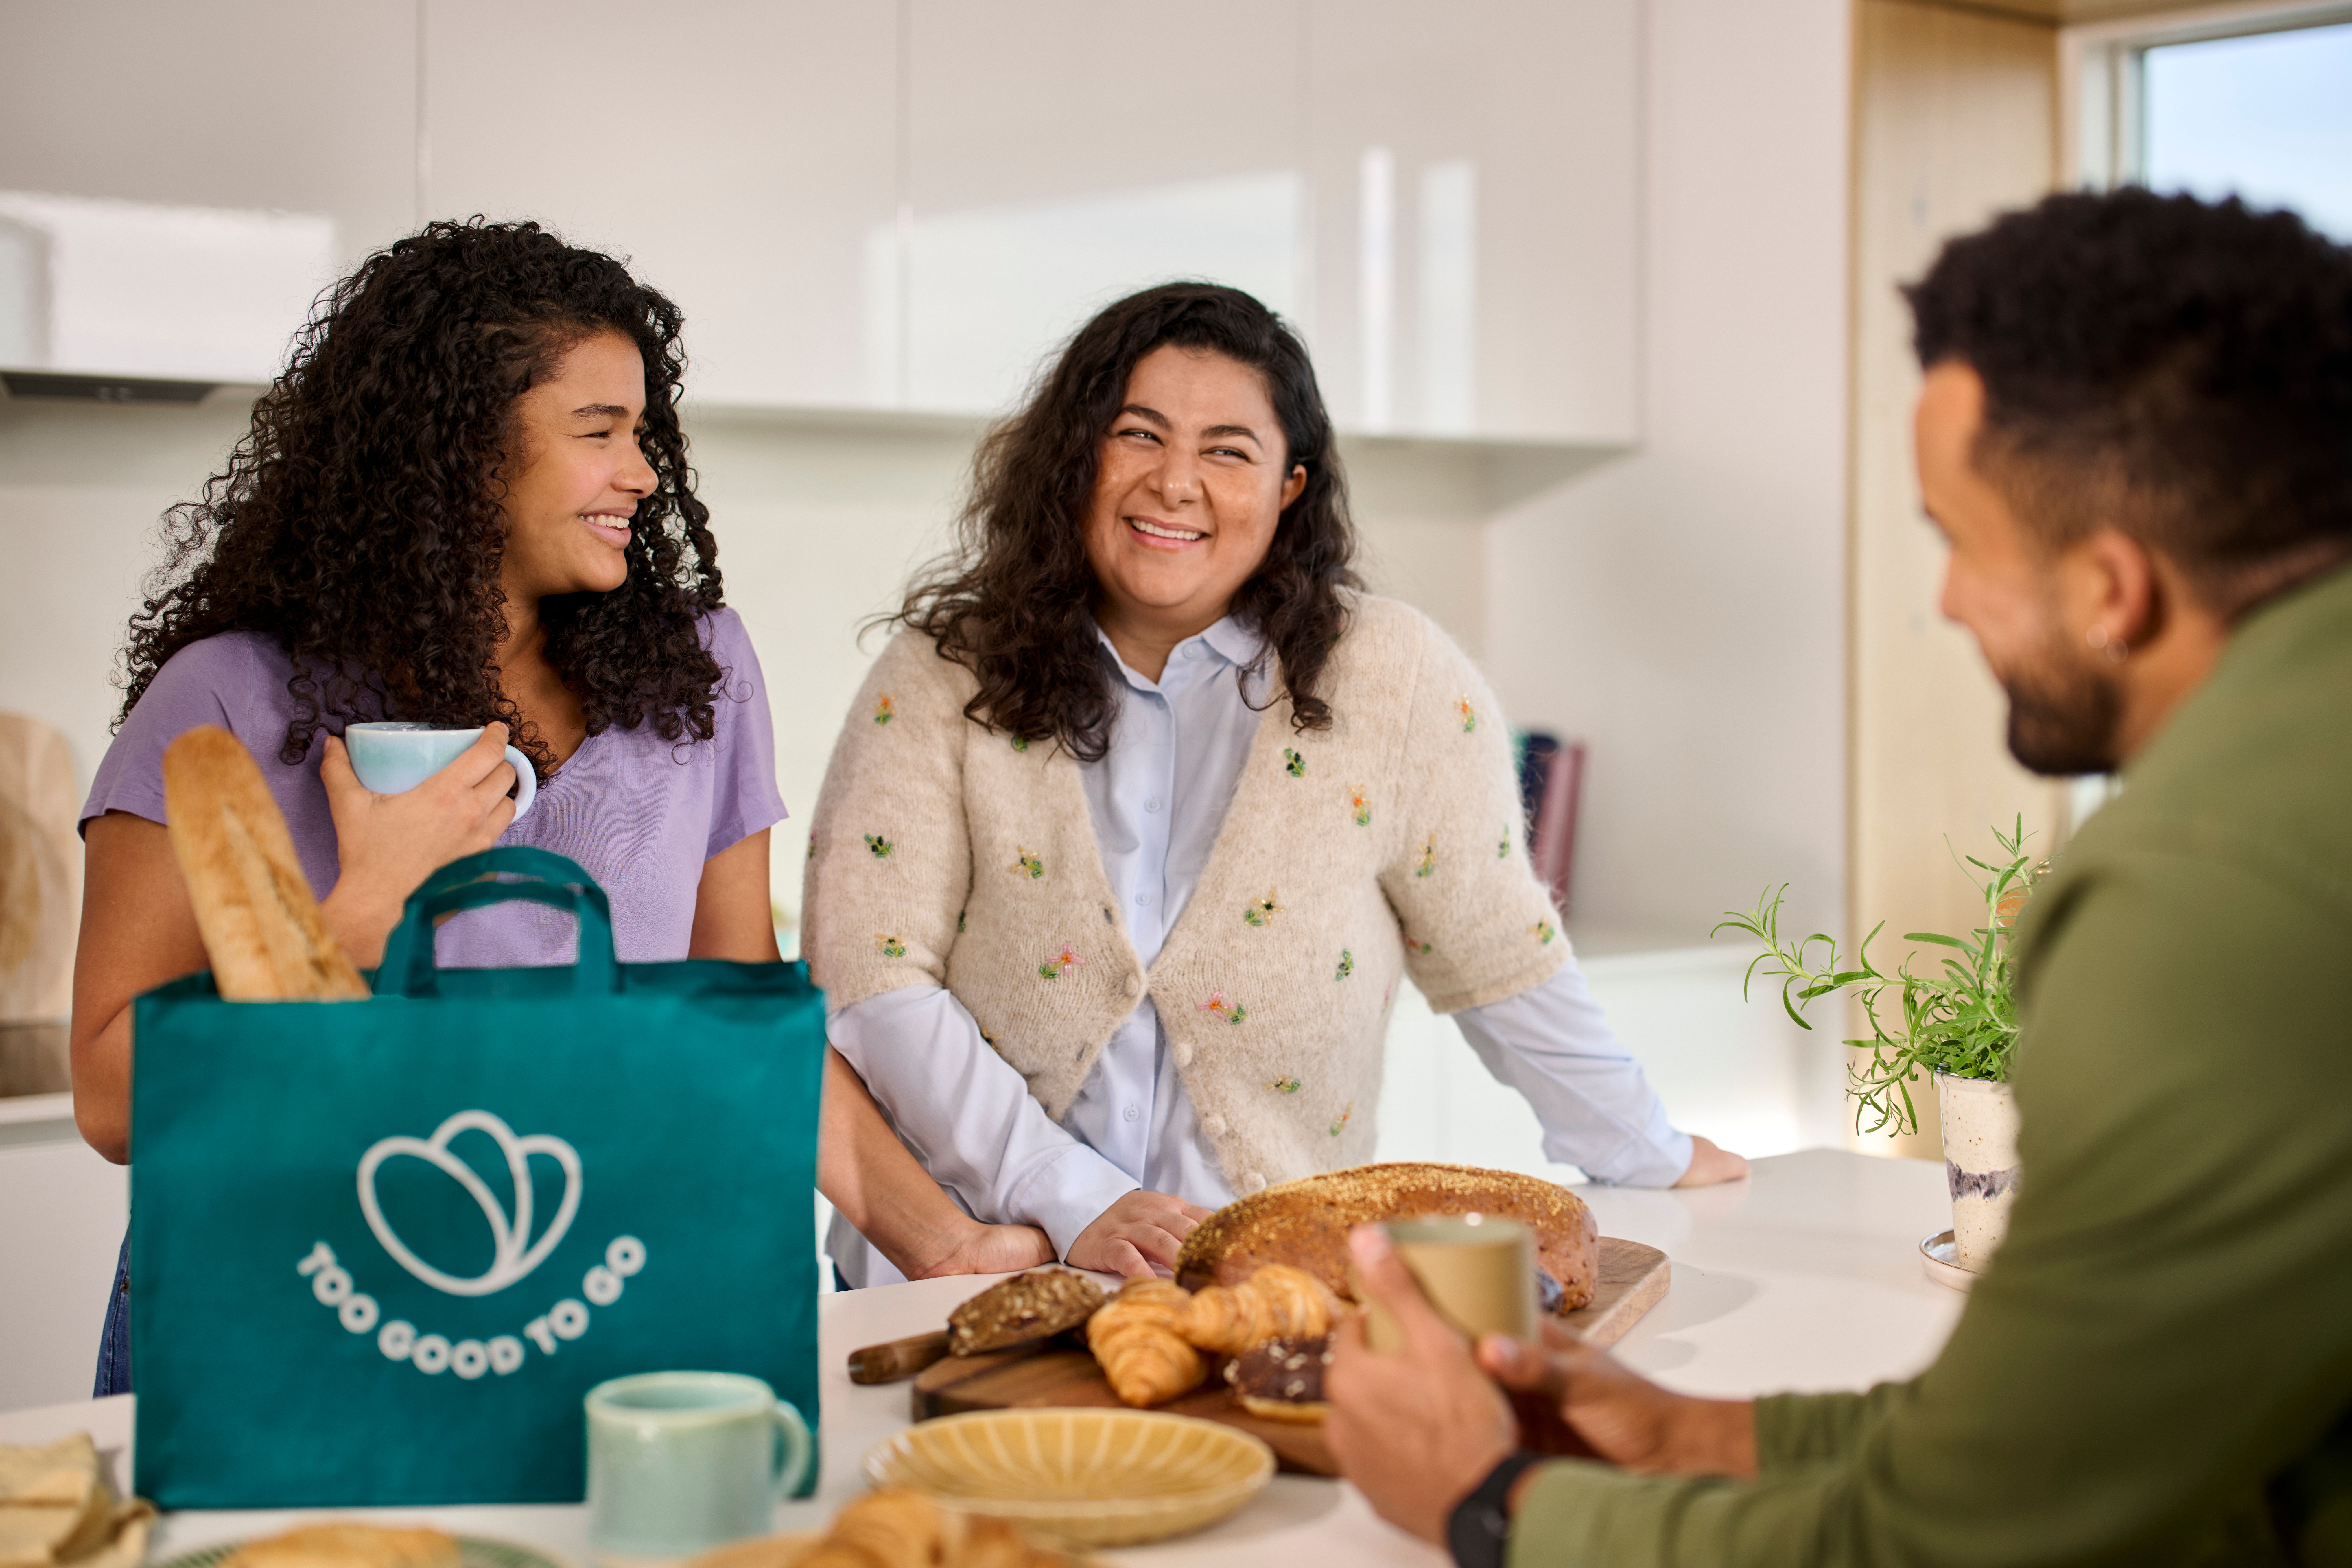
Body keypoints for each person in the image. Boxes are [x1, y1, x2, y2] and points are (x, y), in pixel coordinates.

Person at [1323, 188, 2352, 1566]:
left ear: (2111, 588)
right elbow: (2087, 1427)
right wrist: (1694, 1435)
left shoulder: (2199, 891)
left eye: (1954, 543)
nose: (1941, 603)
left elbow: (1945, 1545)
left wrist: (1489, 1506)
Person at [70, 220, 1046, 1397]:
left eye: (641, 432)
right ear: (457, 447)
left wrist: (938, 1244)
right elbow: (112, 1097)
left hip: (585, 1300)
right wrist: (363, 910)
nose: (640, 471)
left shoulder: (695, 674)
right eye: (598, 433)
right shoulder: (225, 698)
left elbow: (741, 1021)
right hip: (285, 1311)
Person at [801, 281, 1746, 1289]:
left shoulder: (1391, 673)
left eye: (1227, 450)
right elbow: (867, 974)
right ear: (1075, 456)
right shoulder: (945, 668)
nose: (1175, 483)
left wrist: (1649, 1150)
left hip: (1272, 1286)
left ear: (1289, 486)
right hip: (971, 1272)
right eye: (1137, 435)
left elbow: (1500, 955)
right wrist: (1067, 1196)